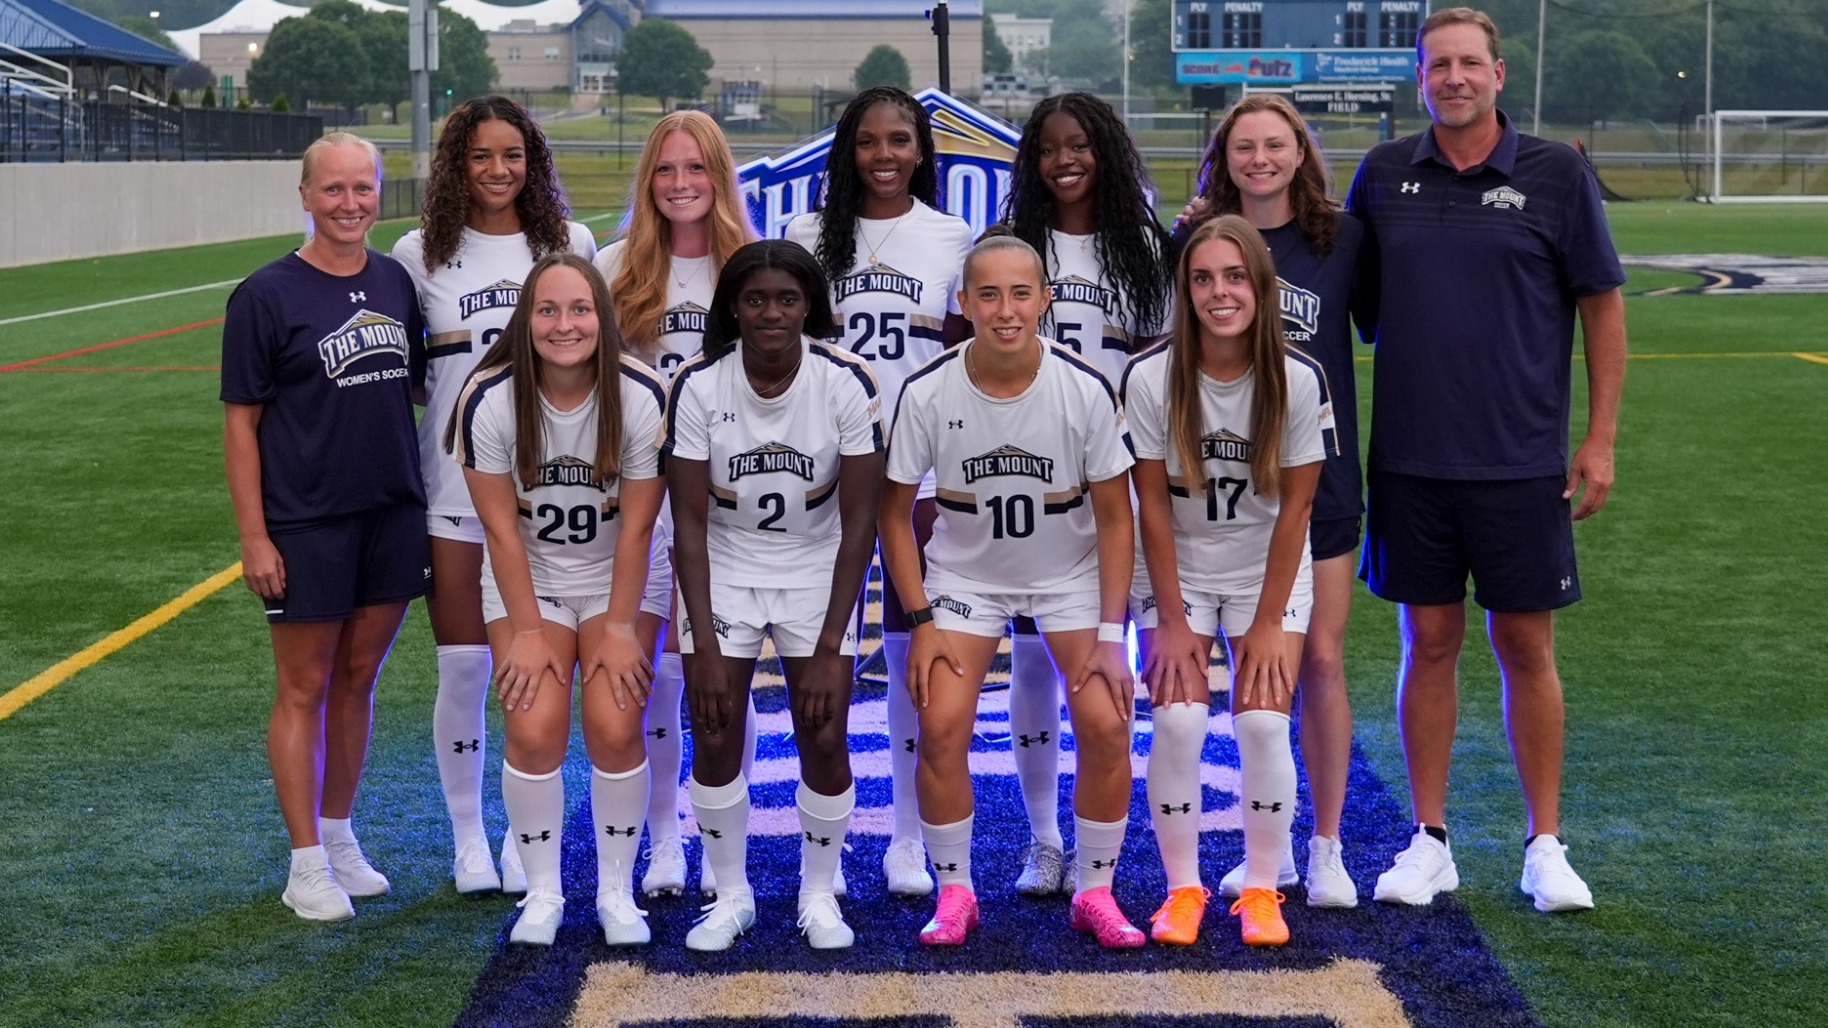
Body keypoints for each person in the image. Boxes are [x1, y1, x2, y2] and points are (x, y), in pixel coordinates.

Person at [1345, 6, 1626, 913]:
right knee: (1427, 642)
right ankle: (1429, 840)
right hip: (1412, 462)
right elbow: (1350, 296)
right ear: (1419, 79)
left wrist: (1599, 438)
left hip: (1520, 461)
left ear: (1499, 74)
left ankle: (1545, 845)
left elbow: (1602, 305)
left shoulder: (1556, 173)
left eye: (1470, 63)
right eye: (1439, 66)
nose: (1455, 78)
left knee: (1525, 645)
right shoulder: (1382, 174)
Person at [880, 235, 1141, 949]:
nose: (1005, 310)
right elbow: (892, 514)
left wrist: (1112, 634)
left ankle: (1094, 891)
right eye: (988, 295)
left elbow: (1117, 518)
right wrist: (922, 620)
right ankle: (956, 892)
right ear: (963, 303)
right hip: (966, 576)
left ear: (1045, 300)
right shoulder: (927, 389)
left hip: (1068, 574)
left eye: (1021, 293)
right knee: (939, 724)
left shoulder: (1084, 386)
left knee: (1107, 723)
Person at [392, 95, 597, 896]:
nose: (498, 169)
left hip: (550, 500)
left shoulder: (569, 243)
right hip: (453, 487)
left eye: (513, 154)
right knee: (465, 669)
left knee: (533, 675)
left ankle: (521, 835)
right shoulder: (418, 253)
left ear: (533, 160)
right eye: (480, 155)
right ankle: (468, 840)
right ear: (456, 164)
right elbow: (411, 374)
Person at [221, 133, 428, 922]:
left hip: (392, 511)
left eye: (362, 188)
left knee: (358, 678)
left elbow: (416, 388)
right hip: (306, 521)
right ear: (305, 196)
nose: (349, 203)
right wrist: (255, 536)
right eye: (333, 189)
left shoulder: (395, 281)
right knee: (304, 686)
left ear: (380, 193)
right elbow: (241, 425)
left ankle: (339, 834)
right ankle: (304, 861)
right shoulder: (265, 295)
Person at [1177, 93, 1371, 909]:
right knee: (1245, 676)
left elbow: (1386, 329)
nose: (1260, 159)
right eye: (1244, 147)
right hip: (1220, 495)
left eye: (1275, 145)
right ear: (1223, 158)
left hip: (1318, 483)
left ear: (1301, 152)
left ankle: (1326, 845)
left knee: (1317, 659)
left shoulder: (1344, 239)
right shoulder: (1199, 238)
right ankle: (1273, 849)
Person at [663, 240, 885, 951]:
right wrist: (700, 643)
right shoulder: (699, 383)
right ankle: (732, 895)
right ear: (733, 306)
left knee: (824, 730)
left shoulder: (845, 380)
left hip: (817, 565)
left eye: (788, 299)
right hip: (725, 564)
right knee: (714, 726)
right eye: (755, 299)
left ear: (809, 306)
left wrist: (830, 644)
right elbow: (688, 526)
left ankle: (817, 893)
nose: (771, 313)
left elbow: (861, 525)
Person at [447, 254, 668, 946]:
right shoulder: (489, 397)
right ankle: (542, 891)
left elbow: (637, 528)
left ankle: (614, 891)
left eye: (579, 309)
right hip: (531, 577)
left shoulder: (641, 394)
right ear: (527, 319)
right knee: (535, 727)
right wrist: (527, 632)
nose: (563, 325)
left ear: (602, 317)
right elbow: (500, 532)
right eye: (547, 310)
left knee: (615, 724)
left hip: (618, 576)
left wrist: (622, 627)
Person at [785, 85, 973, 898]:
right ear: (848, 150)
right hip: (823, 466)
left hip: (917, 468)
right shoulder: (806, 234)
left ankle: (905, 835)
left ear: (922, 149)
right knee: (818, 651)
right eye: (868, 141)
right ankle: (821, 841)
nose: (884, 155)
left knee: (910, 653)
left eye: (900, 139)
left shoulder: (950, 236)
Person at [1126, 215, 1329, 948]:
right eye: (1203, 278)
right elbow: (1150, 503)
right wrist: (1172, 618)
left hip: (1264, 570)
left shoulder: (1298, 377)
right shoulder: (1149, 375)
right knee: (1179, 721)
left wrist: (1270, 622)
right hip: (1175, 569)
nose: (1220, 293)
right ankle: (1183, 890)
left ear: (1261, 287)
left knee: (1264, 723)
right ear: (1185, 290)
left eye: (1236, 277)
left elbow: (1297, 507)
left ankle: (1263, 889)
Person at [997, 91, 1175, 894]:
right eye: (1048, 148)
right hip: (1027, 481)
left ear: (1106, 151)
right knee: (1033, 664)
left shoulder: (1144, 245)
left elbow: (1158, 372)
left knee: (1108, 666)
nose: (1064, 161)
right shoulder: (1012, 243)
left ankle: (1099, 843)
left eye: (1079, 145)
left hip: (1114, 482)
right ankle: (1044, 841)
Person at [596, 110, 762, 900]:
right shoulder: (611, 266)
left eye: (696, 168)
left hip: (732, 500)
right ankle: (665, 839)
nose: (680, 183)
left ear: (720, 176)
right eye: (665, 169)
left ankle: (723, 835)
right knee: (656, 675)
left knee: (725, 677)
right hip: (640, 499)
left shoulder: (750, 265)